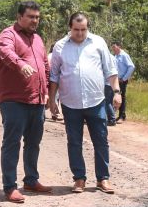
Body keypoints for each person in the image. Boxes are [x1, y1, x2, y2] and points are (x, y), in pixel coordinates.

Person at [49, 12, 121, 194]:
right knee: (74, 142)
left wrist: (117, 92)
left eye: (83, 29)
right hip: (70, 103)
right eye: (76, 30)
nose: (80, 33)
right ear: (69, 28)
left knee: (101, 141)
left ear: (88, 27)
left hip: (96, 101)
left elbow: (110, 70)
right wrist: (51, 99)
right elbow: (54, 76)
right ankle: (79, 179)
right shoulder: (60, 47)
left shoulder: (98, 42)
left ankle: (103, 179)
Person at [0, 0, 52, 203]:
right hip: (13, 99)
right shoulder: (8, 34)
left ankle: (31, 180)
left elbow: (45, 65)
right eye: (30, 16)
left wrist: (45, 92)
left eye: (37, 17)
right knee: (12, 142)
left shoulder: (38, 39)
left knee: (33, 142)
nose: (34, 20)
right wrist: (20, 64)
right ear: (19, 17)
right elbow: (5, 51)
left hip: (36, 99)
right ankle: (10, 187)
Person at [111, 41, 135, 123]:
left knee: (122, 97)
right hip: (116, 80)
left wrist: (124, 78)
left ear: (119, 46)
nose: (113, 49)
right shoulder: (115, 56)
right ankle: (114, 115)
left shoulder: (124, 55)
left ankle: (122, 116)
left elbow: (131, 67)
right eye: (112, 47)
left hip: (122, 80)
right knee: (115, 97)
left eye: (114, 47)